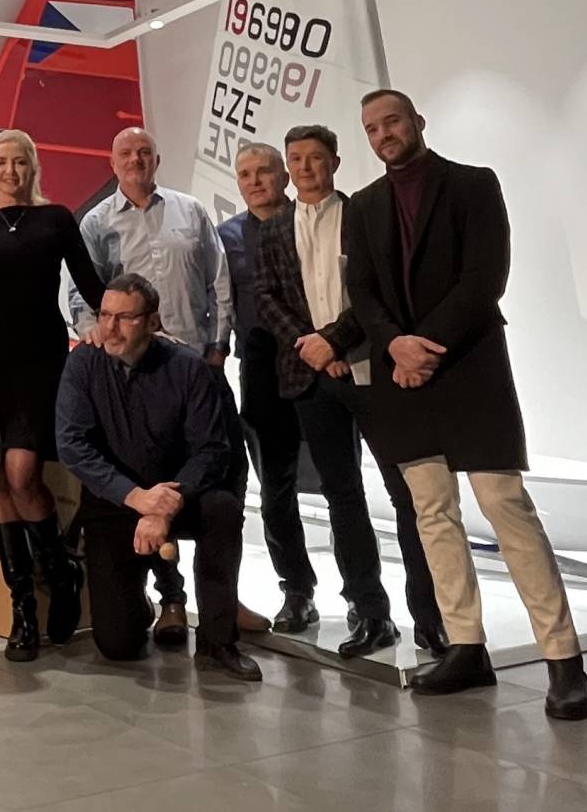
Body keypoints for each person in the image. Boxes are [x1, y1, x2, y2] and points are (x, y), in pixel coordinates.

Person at [344, 89, 587, 720]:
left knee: (506, 506)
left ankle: (563, 659)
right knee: (432, 513)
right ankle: (465, 647)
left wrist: (424, 346)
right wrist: (395, 344)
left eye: (392, 121)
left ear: (417, 122)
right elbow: (362, 292)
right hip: (402, 376)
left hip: (469, 368)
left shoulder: (474, 184)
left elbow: (485, 278)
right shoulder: (364, 205)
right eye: (372, 128)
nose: (383, 134)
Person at [68, 126, 268, 643]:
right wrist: (94, 336)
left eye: (144, 152)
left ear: (157, 159)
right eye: (126, 153)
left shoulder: (190, 211)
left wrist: (218, 345)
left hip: (198, 367)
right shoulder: (95, 224)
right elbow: (78, 293)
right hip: (134, 373)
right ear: (112, 163)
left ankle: (223, 600)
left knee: (226, 482)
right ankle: (171, 599)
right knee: (151, 477)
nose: (136, 160)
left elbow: (218, 279)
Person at [252, 130, 441, 658]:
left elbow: (383, 292)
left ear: (334, 162)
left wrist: (334, 340)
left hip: (376, 371)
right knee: (342, 496)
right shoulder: (273, 228)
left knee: (405, 495)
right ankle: (370, 612)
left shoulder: (365, 214)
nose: (305, 167)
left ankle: (431, 618)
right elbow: (266, 297)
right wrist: (312, 347)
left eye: (315, 157)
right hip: (312, 379)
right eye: (295, 159)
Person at [56, 275, 261, 681]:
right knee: (118, 644)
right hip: (115, 500)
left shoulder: (186, 366)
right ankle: (148, 603)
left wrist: (163, 506)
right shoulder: (83, 363)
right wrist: (135, 497)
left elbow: (212, 449)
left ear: (152, 322)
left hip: (177, 494)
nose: (110, 328)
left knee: (222, 509)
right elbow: (72, 444)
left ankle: (218, 641)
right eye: (105, 316)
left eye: (124, 318)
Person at [0, 128, 101, 661]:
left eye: (19, 162)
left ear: (32, 167)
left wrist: (127, 323)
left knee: (22, 474)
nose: (10, 171)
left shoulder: (56, 219)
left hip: (39, 359)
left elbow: (90, 284)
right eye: (1, 162)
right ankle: (23, 611)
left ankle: (60, 575)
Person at [216, 143, 316, 632]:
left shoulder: (311, 222)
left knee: (342, 486)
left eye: (263, 171)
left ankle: (366, 601)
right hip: (261, 372)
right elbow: (219, 301)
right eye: (245, 174)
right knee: (276, 491)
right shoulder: (226, 237)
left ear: (284, 176)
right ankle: (297, 590)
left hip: (319, 364)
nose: (254, 181)